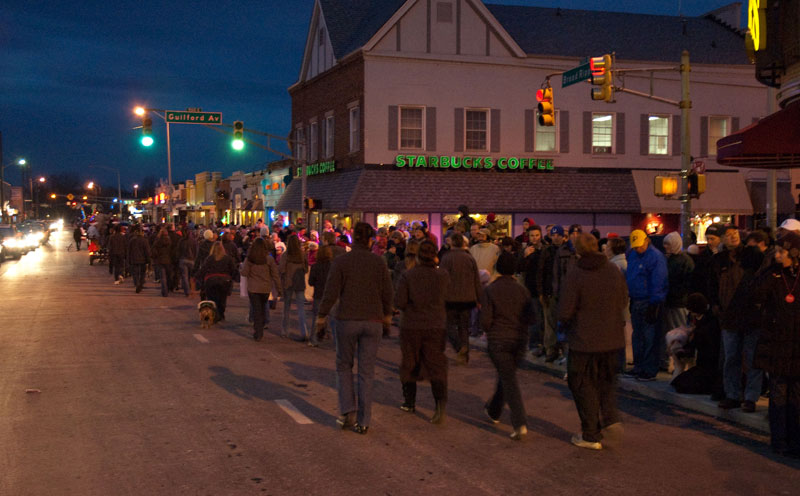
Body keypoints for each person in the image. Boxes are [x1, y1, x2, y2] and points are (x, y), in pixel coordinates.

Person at [315, 222, 394, 435]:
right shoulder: (379, 263)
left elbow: (331, 292)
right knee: (367, 372)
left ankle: (348, 410)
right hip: (373, 321)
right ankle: (364, 420)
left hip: (347, 319)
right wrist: (387, 317)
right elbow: (388, 293)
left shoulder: (342, 262)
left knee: (344, 366)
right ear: (370, 240)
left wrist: (321, 316)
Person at [559, 233, 628, 450]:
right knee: (605, 380)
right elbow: (624, 298)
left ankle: (590, 433)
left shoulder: (576, 272)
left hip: (584, 339)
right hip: (612, 337)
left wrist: (564, 322)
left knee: (581, 382)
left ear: (577, 250)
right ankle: (610, 417)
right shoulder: (612, 270)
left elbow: (565, 309)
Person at [754, 231, 800, 457]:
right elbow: (756, 294)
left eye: (782, 252)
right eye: (777, 252)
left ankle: (795, 440)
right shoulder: (772, 275)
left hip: (797, 346)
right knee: (779, 394)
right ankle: (779, 440)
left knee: (796, 397)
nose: (779, 256)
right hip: (777, 345)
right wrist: (769, 269)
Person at [394, 240, 450, 424]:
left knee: (410, 363)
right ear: (435, 256)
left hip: (412, 325)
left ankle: (409, 402)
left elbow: (400, 302)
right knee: (436, 365)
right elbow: (448, 298)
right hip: (436, 325)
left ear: (418, 256)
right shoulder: (443, 275)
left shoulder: (408, 276)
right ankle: (439, 404)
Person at [482, 251, 535, 440]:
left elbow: (486, 321)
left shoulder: (490, 290)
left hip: (499, 340)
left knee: (509, 380)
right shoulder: (523, 290)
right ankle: (494, 411)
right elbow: (531, 317)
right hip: (518, 340)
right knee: (507, 376)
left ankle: (519, 422)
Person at [624, 229, 668, 381]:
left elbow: (659, 280)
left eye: (640, 245)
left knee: (650, 337)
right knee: (638, 335)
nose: (638, 248)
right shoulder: (632, 255)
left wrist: (655, 302)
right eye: (635, 246)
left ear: (647, 241)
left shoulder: (655, 257)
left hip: (649, 301)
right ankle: (639, 366)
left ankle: (649, 369)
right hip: (636, 300)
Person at [440, 233, 483, 365]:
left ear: (452, 243)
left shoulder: (447, 258)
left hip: (451, 298)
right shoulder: (469, 258)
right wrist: (479, 298)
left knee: (449, 326)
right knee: (464, 327)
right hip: (468, 298)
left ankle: (460, 347)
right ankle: (464, 355)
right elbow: (476, 279)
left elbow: (442, 279)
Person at [240, 238, 282, 342]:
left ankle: (258, 331)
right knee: (263, 308)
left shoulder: (250, 259)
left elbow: (244, 273)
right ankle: (261, 327)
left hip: (253, 288)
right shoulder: (269, 259)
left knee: (256, 309)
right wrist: (279, 288)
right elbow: (275, 274)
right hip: (265, 288)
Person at [196, 241, 237, 323]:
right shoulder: (227, 258)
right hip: (224, 281)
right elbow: (233, 270)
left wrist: (196, 277)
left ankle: (214, 315)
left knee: (212, 299)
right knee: (222, 299)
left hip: (211, 281)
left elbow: (203, 269)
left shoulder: (210, 258)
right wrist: (234, 278)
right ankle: (220, 314)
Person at [279, 234, 309, 341]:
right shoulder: (302, 255)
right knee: (301, 308)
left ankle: (285, 330)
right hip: (299, 282)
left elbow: (281, 269)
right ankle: (303, 331)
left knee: (287, 307)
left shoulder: (285, 255)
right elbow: (306, 269)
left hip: (288, 282)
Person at [308, 245, 333, 343]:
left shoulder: (315, 266)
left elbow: (311, 282)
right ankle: (334, 340)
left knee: (317, 317)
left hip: (318, 294)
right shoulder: (333, 266)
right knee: (332, 318)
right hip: (330, 294)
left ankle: (314, 340)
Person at [127, 225, 151, 293]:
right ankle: (140, 283)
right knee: (142, 273)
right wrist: (149, 261)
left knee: (135, 273)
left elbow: (129, 251)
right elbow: (147, 251)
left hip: (134, 259)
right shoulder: (145, 241)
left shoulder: (132, 240)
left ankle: (137, 283)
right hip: (143, 259)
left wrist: (128, 260)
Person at [151, 229, 173, 297]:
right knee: (168, 276)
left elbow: (153, 251)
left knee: (163, 277)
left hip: (160, 260)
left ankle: (164, 292)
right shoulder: (169, 241)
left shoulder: (157, 242)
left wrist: (156, 257)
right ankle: (168, 289)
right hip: (168, 260)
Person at [176, 229, 198, 297]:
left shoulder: (181, 241)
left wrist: (178, 258)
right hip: (191, 260)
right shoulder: (194, 241)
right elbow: (196, 251)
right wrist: (195, 258)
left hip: (183, 260)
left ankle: (187, 291)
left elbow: (178, 251)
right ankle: (191, 289)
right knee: (191, 276)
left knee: (184, 276)